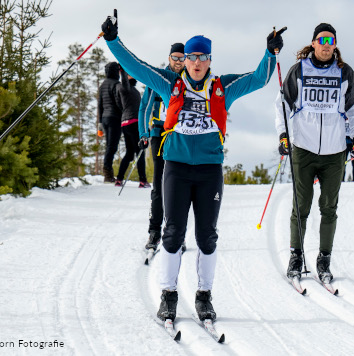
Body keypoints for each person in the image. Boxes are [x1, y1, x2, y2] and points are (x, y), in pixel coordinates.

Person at [101, 12, 280, 323]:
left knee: (207, 236)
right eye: (192, 56)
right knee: (172, 233)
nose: (196, 62)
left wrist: (271, 52)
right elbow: (135, 67)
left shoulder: (223, 87)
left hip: (210, 170)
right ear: (184, 60)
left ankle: (204, 296)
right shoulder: (169, 83)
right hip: (176, 168)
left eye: (203, 57)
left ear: (209, 60)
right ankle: (168, 296)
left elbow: (259, 78)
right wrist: (113, 40)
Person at [276, 23, 354, 283]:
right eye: (321, 39)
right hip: (303, 148)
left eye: (331, 40)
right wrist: (283, 134)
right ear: (313, 43)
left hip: (335, 152)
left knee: (329, 207)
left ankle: (324, 258)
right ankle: (296, 255)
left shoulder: (344, 72)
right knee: (301, 206)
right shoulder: (300, 70)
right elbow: (282, 102)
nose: (326, 44)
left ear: (335, 45)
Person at [139, 43, 185, 253]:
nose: (177, 61)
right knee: (159, 183)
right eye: (174, 57)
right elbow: (145, 107)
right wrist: (143, 133)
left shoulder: (189, 79)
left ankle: (176, 232)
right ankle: (154, 231)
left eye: (181, 58)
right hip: (159, 135)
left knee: (178, 186)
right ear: (169, 58)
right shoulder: (159, 78)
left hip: (180, 136)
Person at [115, 67, 148, 187]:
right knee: (140, 151)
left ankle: (119, 179)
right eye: (129, 74)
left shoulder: (133, 90)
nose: (132, 75)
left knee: (129, 153)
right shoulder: (124, 87)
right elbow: (124, 81)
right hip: (133, 122)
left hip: (127, 123)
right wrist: (123, 69)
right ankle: (143, 180)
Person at [97, 61, 123, 183]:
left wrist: (99, 124)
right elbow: (119, 103)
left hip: (105, 119)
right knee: (112, 147)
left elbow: (99, 106)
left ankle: (108, 173)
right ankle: (107, 173)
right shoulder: (117, 84)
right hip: (115, 119)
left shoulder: (102, 85)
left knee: (109, 146)